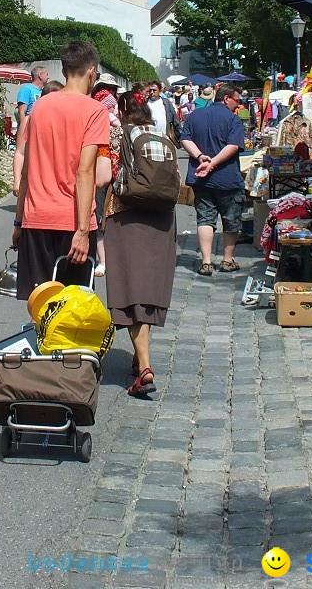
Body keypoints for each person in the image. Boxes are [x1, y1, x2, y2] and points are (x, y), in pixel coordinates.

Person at [14, 42, 110, 299]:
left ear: (65, 69)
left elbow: (26, 169)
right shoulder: (95, 111)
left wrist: (18, 220)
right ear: (92, 71)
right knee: (72, 309)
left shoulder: (40, 107)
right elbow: (85, 171)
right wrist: (82, 231)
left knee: (40, 305)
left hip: (36, 217)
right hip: (71, 220)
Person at [104, 91, 178, 398]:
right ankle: (139, 357)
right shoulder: (160, 134)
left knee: (131, 291)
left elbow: (103, 173)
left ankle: (145, 365)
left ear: (122, 109)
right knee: (149, 288)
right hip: (162, 216)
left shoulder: (118, 132)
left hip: (126, 213)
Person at [181, 85, 245, 276]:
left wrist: (201, 157)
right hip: (227, 177)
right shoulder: (233, 119)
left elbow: (185, 139)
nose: (238, 104)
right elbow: (233, 146)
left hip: (201, 178)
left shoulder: (195, 116)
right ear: (226, 99)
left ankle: (206, 262)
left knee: (205, 218)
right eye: (236, 100)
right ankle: (227, 260)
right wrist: (213, 163)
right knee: (231, 219)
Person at [91, 72, 121, 278]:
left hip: (106, 173)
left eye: (112, 89)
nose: (109, 93)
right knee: (100, 215)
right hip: (106, 172)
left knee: (101, 216)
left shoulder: (104, 112)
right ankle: (103, 259)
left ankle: (104, 259)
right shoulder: (103, 113)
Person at [12, 64, 49, 193]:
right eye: (46, 74)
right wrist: (24, 129)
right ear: (40, 75)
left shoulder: (44, 91)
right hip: (29, 127)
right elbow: (22, 111)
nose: (48, 77)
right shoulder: (27, 89)